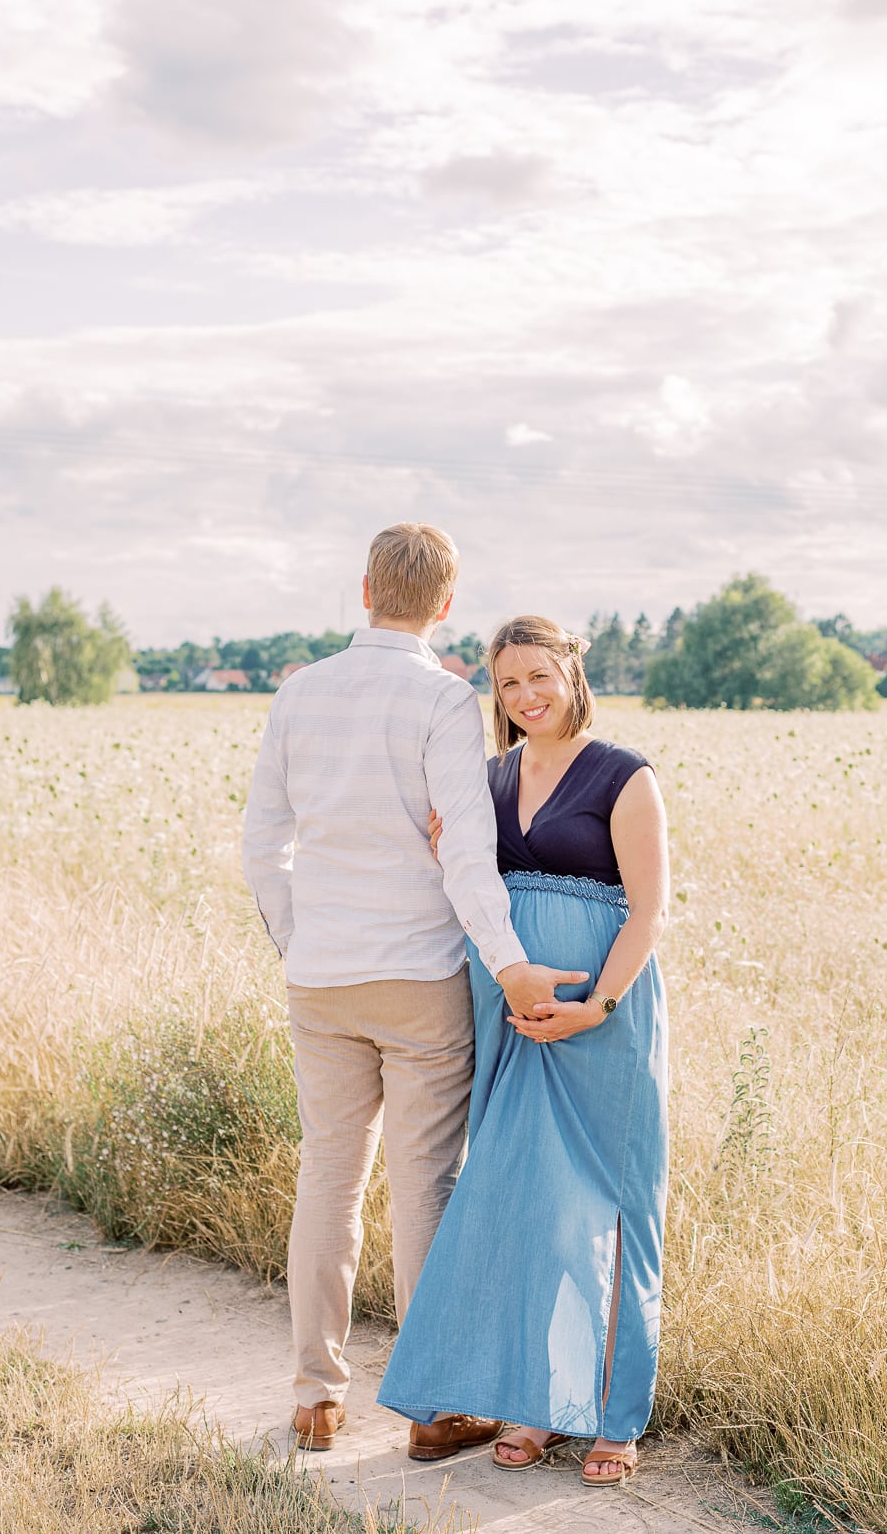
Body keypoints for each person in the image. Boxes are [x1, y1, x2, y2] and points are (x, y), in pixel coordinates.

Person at [242, 528, 586, 1458]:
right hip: (421, 976)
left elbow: (260, 845)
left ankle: (317, 1394)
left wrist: (295, 938)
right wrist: (512, 960)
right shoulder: (444, 698)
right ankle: (432, 1409)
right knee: (424, 1183)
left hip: (321, 978)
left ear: (363, 591)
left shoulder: (298, 692)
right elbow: (467, 853)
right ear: (445, 605)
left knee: (329, 1179)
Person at [378, 615, 670, 1488]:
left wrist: (597, 1006)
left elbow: (649, 912)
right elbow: (464, 874)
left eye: (540, 676)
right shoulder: (490, 775)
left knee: (612, 1211)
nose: (526, 696)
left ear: (572, 672)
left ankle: (617, 1414)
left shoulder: (626, 775)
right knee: (525, 1203)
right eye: (508, 684)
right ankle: (540, 1403)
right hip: (509, 1016)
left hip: (601, 1020)